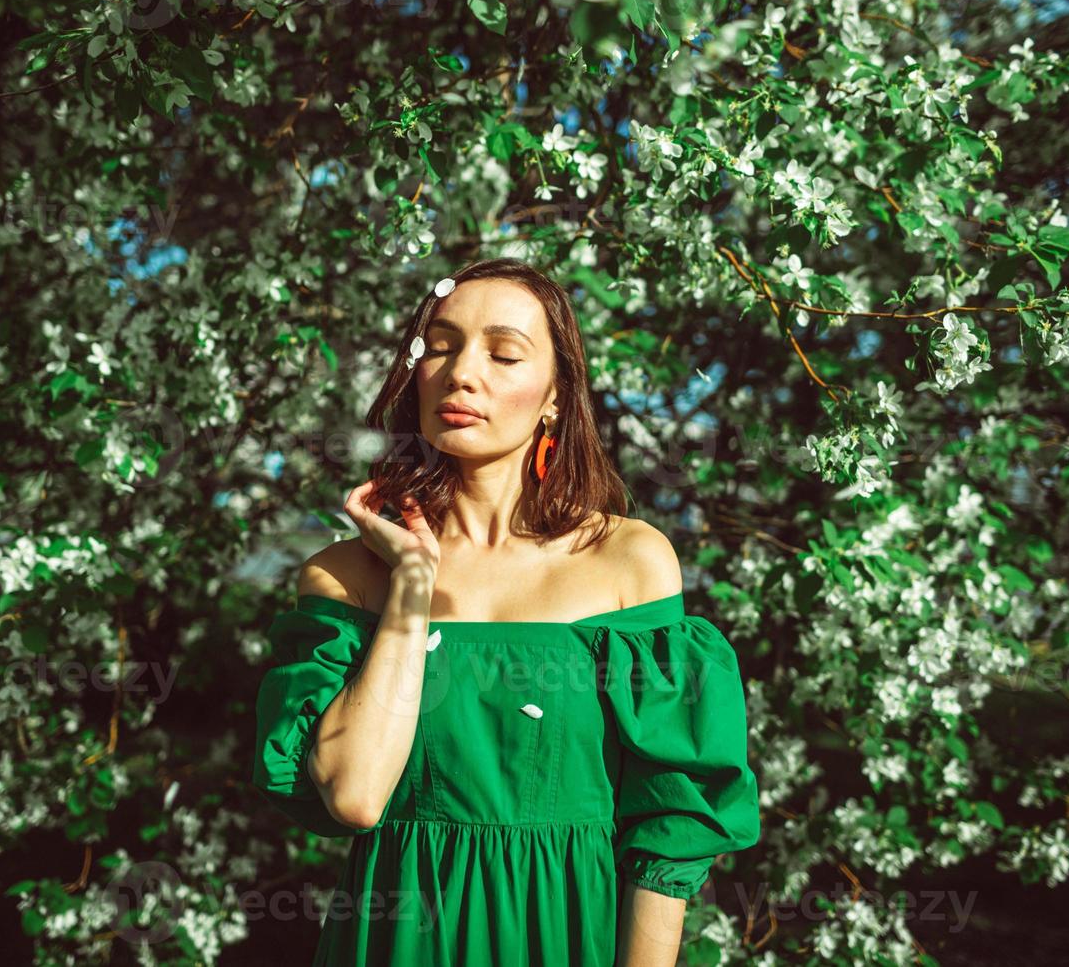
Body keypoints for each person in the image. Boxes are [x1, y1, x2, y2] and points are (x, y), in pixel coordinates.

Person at [252, 257, 760, 965]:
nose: (463, 373)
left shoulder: (628, 562)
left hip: (562, 935)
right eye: (440, 345)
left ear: (555, 396)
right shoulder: (345, 577)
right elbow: (356, 798)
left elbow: (669, 822)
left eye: (504, 353)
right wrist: (411, 585)